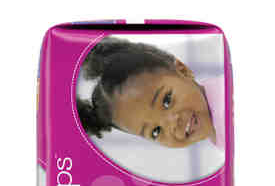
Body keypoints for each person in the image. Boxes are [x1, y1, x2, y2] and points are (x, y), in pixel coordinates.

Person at [77, 37, 220, 149]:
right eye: (156, 131)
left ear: (183, 70)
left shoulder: (226, 109)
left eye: (166, 101)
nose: (172, 123)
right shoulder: (217, 129)